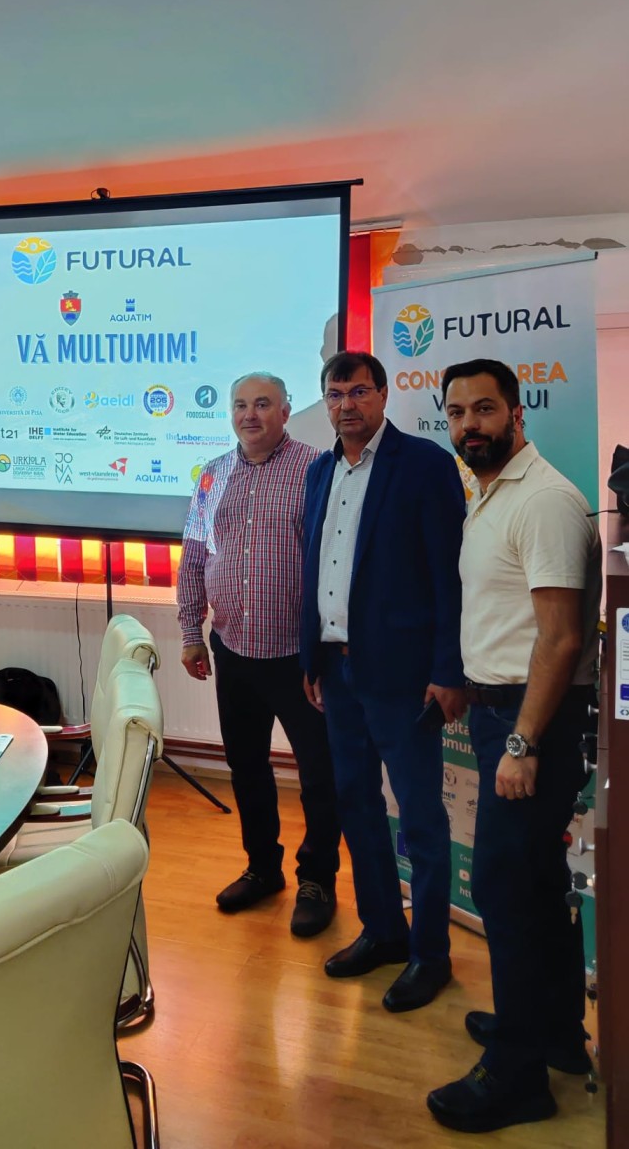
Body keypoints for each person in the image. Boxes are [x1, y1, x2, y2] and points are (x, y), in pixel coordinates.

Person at [427, 359, 600, 1133]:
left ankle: (517, 1075)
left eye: (485, 409)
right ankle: (553, 1032)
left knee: (504, 892)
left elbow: (560, 640)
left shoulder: (545, 500)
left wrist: (523, 743)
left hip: (535, 723)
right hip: (503, 713)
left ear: (517, 414)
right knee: (531, 885)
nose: (470, 425)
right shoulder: (491, 493)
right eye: (457, 413)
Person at [301, 351, 465, 1011]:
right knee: (357, 807)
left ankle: (431, 955)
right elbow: (314, 569)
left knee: (420, 818)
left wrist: (448, 670)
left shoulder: (424, 465)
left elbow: (450, 577)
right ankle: (383, 931)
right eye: (335, 394)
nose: (347, 405)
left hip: (405, 678)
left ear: (384, 395)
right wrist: (310, 659)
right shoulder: (320, 471)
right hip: (337, 673)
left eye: (359, 392)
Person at [177, 372, 342, 936]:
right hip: (234, 651)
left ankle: (317, 879)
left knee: (319, 775)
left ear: (286, 411)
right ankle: (262, 868)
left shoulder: (317, 469)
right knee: (246, 767)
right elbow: (194, 554)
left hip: (300, 658)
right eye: (241, 405)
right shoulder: (212, 476)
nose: (250, 415)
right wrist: (190, 631)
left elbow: (332, 560)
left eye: (263, 404)